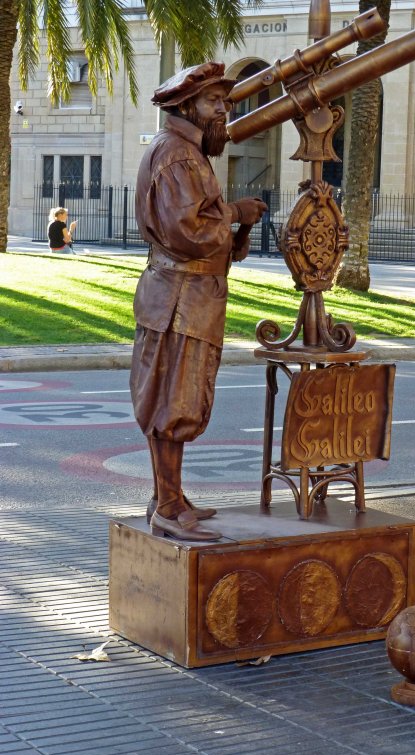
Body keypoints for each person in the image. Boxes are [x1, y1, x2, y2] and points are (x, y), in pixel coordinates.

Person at [131, 62, 268, 542]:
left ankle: (169, 496)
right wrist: (236, 212)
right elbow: (188, 231)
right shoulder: (180, 157)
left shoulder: (187, 153)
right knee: (173, 402)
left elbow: (199, 230)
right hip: (180, 299)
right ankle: (167, 506)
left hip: (185, 297)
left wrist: (234, 225)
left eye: (225, 102)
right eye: (215, 103)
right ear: (187, 107)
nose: (224, 112)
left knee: (175, 399)